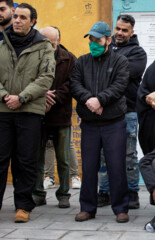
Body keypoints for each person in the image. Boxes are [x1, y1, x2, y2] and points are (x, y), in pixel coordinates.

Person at [0, 3, 55, 223]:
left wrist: (21, 97)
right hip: (2, 110)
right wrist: (5, 96)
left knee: (25, 161)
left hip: (29, 111)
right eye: (15, 17)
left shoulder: (43, 46)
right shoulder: (1, 42)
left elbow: (46, 78)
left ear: (33, 22)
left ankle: (23, 206)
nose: (17, 21)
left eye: (23, 17)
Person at [70, 21, 130, 223]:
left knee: (116, 166)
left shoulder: (120, 61)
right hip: (89, 122)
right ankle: (87, 207)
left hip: (114, 122)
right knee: (88, 167)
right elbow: (75, 84)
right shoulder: (81, 61)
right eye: (91, 39)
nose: (94, 43)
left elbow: (120, 85)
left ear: (108, 40)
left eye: (98, 39)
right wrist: (90, 100)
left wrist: (101, 99)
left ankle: (121, 208)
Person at [97, 14, 147, 209]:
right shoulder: (104, 48)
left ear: (131, 32)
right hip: (105, 111)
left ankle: (132, 191)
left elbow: (124, 75)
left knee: (129, 154)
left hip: (128, 111)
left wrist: (106, 70)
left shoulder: (138, 52)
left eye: (124, 30)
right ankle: (104, 191)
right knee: (103, 154)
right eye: (117, 28)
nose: (119, 33)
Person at [31, 26, 77, 208]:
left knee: (63, 158)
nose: (48, 47)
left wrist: (54, 97)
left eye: (51, 43)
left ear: (58, 40)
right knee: (37, 157)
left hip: (61, 115)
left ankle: (63, 193)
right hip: (38, 114)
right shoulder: (33, 57)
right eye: (44, 42)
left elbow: (71, 84)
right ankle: (38, 193)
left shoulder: (69, 59)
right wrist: (41, 96)